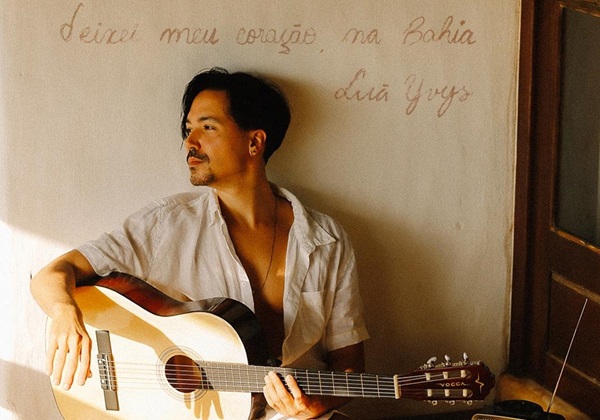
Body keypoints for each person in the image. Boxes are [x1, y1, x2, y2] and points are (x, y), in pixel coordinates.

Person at [30, 67, 369, 419]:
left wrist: (315, 404)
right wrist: (65, 313)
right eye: (188, 129)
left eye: (207, 128)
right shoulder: (166, 225)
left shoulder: (327, 240)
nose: (190, 142)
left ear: (255, 142)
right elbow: (54, 273)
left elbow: (350, 365)